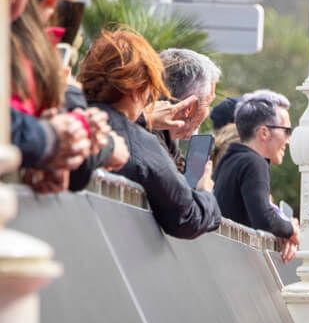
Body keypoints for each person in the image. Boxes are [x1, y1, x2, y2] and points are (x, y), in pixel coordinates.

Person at [80, 29, 220, 239]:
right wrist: (206, 193)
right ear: (140, 86)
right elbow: (188, 216)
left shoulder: (66, 115)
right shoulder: (140, 143)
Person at [212, 90, 299, 260]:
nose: (288, 140)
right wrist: (291, 229)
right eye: (287, 131)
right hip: (236, 266)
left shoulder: (233, 157)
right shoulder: (253, 162)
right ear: (264, 133)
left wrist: (284, 231)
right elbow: (264, 218)